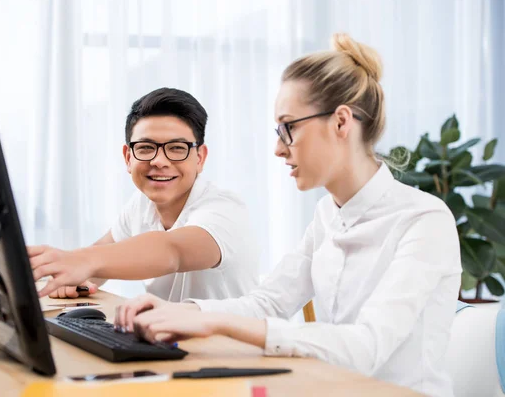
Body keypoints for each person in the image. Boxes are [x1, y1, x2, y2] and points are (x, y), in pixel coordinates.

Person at [113, 34, 461, 397]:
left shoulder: (424, 220)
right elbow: (270, 302)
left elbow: (365, 347)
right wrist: (187, 312)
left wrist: (212, 322)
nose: (279, 149)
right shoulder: (327, 215)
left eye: (288, 127)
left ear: (341, 123)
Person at [30, 88, 259, 302]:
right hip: (172, 340)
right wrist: (73, 275)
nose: (159, 161)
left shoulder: (225, 209)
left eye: (177, 148)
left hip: (231, 344)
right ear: (128, 158)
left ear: (200, 157)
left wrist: (84, 261)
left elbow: (172, 251)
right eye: (146, 148)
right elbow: (100, 258)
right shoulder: (141, 204)